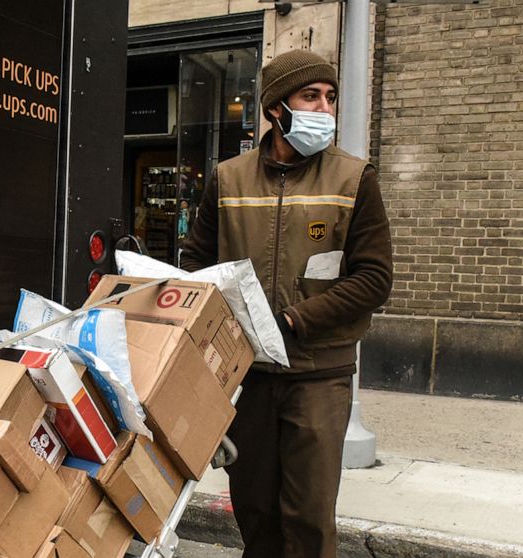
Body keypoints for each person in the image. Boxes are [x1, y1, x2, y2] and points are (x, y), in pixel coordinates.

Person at [180, 49, 393, 558]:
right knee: (254, 512)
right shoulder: (228, 179)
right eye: (310, 96)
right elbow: (195, 265)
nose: (324, 108)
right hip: (248, 376)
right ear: (277, 107)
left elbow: (374, 278)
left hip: (318, 374)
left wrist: (294, 319)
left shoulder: (354, 178)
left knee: (309, 520)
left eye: (330, 97)